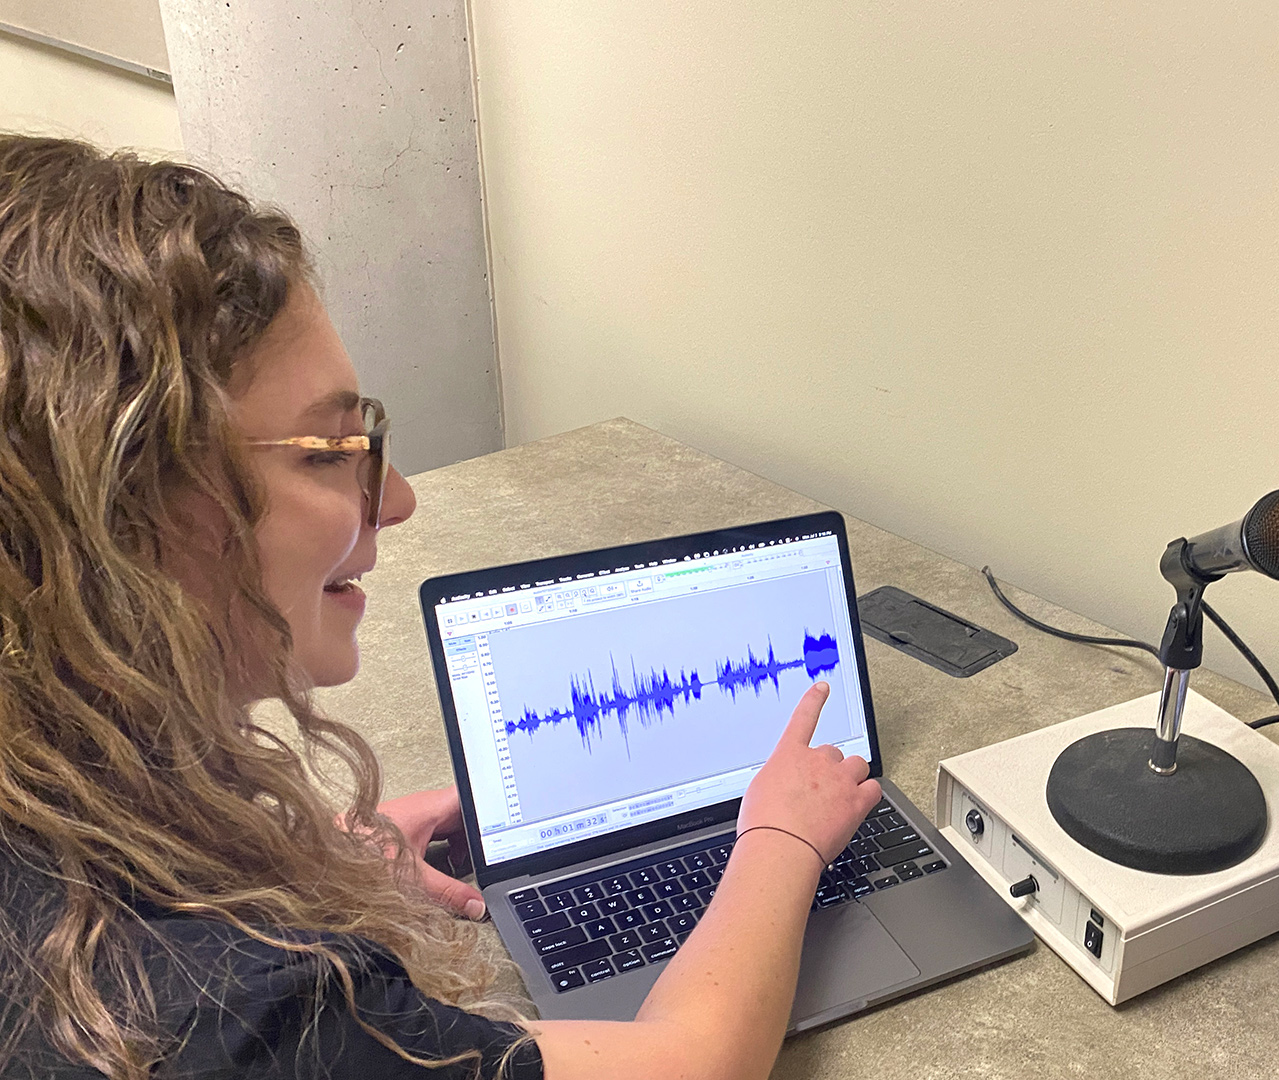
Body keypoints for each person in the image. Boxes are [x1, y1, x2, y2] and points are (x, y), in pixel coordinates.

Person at [0, 135, 879, 1079]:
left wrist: (299, 856)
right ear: (118, 510)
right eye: (326, 452)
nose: (401, 498)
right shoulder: (239, 1014)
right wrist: (782, 839)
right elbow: (690, 1063)